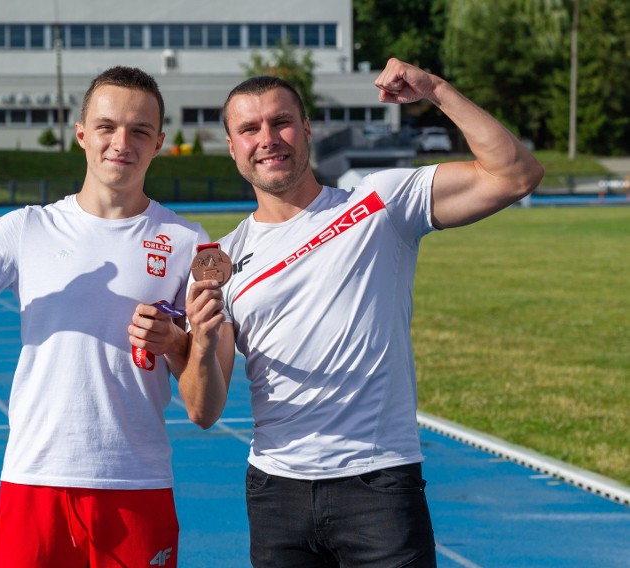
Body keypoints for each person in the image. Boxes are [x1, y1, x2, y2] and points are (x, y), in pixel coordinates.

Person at [179, 57, 544, 567]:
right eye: (249, 129)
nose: (268, 138)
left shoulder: (380, 204)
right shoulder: (218, 261)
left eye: (281, 121)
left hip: (378, 485)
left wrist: (437, 90)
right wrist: (199, 340)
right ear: (232, 147)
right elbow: (203, 411)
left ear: (306, 129)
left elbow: (516, 174)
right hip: (276, 493)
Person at [0, 66, 208, 568]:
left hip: (135, 480)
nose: (121, 141)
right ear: (81, 134)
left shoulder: (188, 240)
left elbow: (199, 385)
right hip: (35, 477)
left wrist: (175, 343)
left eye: (139, 130)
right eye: (106, 126)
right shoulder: (27, 228)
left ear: (159, 141)